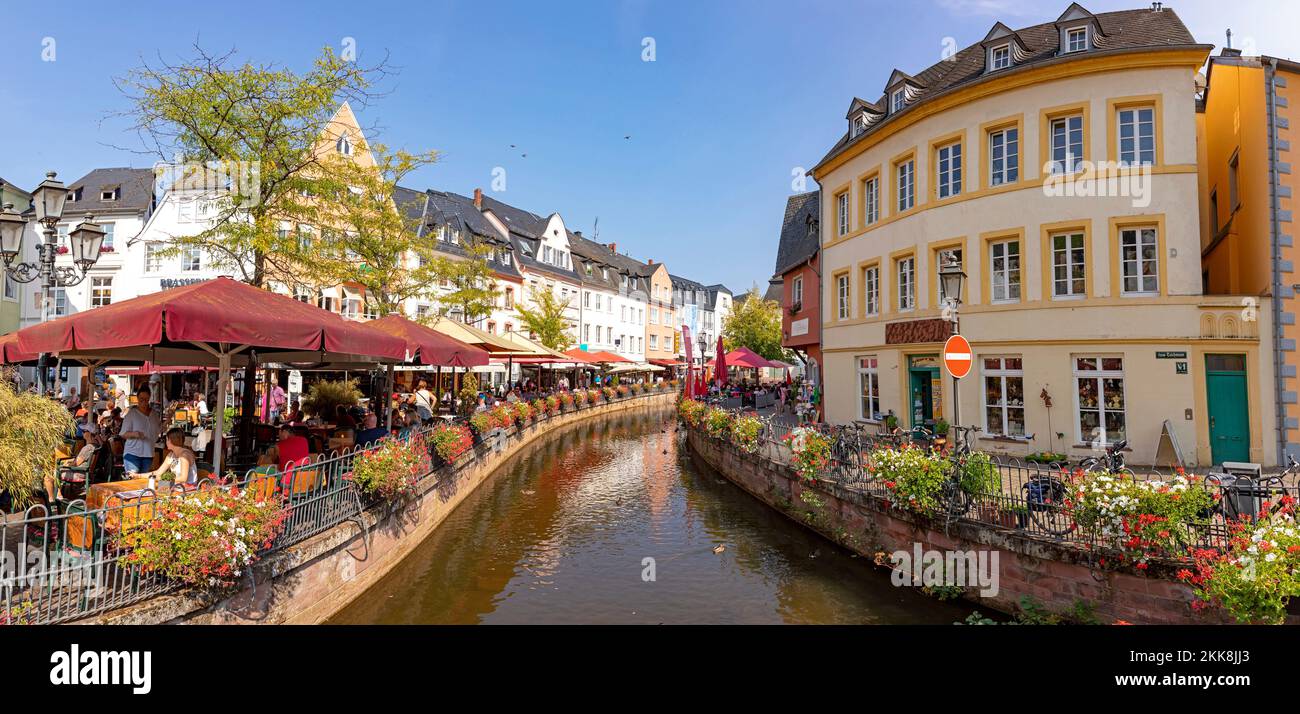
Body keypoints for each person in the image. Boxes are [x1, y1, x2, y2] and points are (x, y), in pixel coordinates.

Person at [120, 387, 162, 475]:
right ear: (137, 398)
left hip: (148, 454)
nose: (144, 401)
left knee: (143, 482)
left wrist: (168, 420)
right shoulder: (131, 413)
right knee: (132, 482)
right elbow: (123, 434)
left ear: (149, 398)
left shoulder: (153, 414)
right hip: (132, 453)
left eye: (146, 399)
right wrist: (135, 434)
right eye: (141, 398)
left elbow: (159, 429)